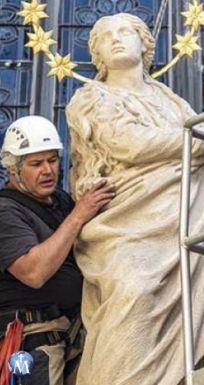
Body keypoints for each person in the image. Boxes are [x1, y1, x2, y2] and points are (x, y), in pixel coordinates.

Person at [65, 13, 204, 385]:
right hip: (126, 221)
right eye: (106, 36)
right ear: (97, 53)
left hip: (187, 220)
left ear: (144, 44)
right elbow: (126, 143)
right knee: (133, 289)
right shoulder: (89, 99)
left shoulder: (174, 103)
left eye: (126, 32)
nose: (117, 40)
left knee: (191, 312)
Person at [0, 115, 114, 385]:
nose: (48, 170)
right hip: (31, 341)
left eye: (52, 160)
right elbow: (33, 272)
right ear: (13, 170)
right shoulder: (6, 212)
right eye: (36, 164)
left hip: (74, 333)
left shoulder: (60, 202)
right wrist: (78, 215)